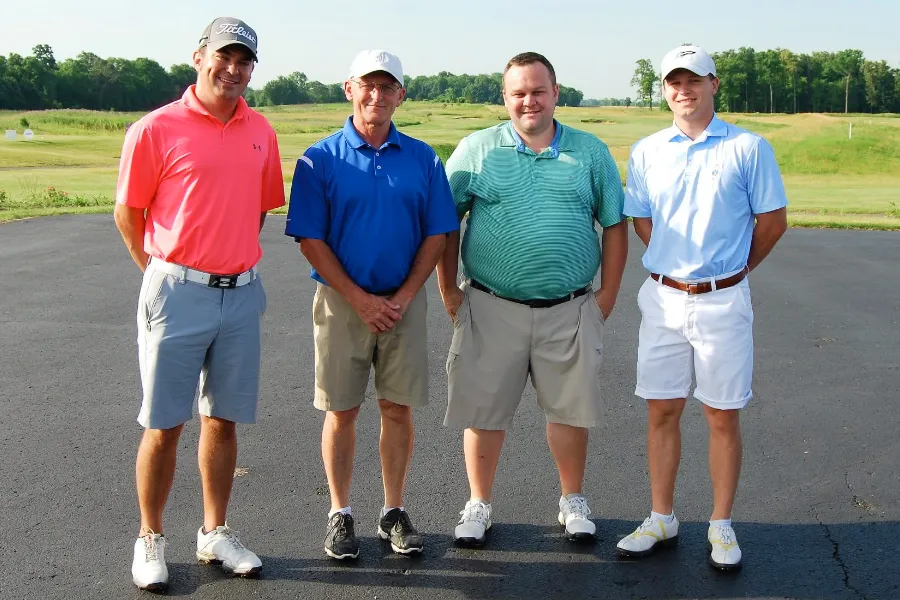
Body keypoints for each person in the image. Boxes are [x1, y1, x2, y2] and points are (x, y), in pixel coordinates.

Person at [114, 17, 284, 591]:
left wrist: (227, 262)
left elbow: (258, 208)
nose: (233, 69)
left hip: (240, 293)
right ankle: (150, 537)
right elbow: (128, 212)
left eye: (244, 61)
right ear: (199, 57)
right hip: (176, 292)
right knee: (164, 423)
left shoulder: (261, 129)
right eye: (223, 57)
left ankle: (214, 531)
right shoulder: (155, 128)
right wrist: (160, 273)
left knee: (223, 419)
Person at [437, 52, 628, 547]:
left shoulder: (590, 152)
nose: (529, 101)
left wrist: (607, 295)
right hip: (490, 305)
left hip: (570, 307)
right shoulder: (477, 150)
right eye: (519, 92)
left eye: (538, 91)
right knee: (483, 412)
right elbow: (445, 220)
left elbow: (614, 223)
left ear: (555, 93)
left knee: (570, 411)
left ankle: (572, 500)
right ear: (505, 97)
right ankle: (478, 503)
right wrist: (448, 290)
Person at [616, 45, 788, 571]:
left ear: (714, 84)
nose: (683, 90)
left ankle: (721, 524)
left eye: (693, 80)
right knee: (662, 409)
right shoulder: (647, 151)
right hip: (663, 298)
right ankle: (662, 517)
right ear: (665, 90)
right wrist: (674, 264)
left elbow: (772, 221)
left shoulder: (748, 147)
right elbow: (642, 220)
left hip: (723, 300)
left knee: (721, 414)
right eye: (674, 82)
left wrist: (735, 270)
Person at [285, 49, 459, 560]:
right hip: (342, 302)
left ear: (401, 95)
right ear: (350, 89)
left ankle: (393, 511)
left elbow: (437, 233)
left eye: (387, 87)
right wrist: (360, 300)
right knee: (341, 410)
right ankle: (340, 512)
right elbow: (311, 240)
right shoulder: (320, 158)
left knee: (397, 408)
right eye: (368, 85)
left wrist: (402, 297)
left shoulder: (424, 158)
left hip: (404, 302)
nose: (376, 95)